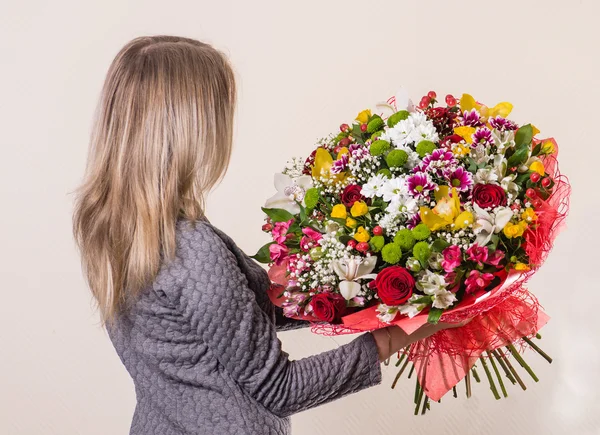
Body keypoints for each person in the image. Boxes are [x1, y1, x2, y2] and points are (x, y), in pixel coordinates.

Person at [73, 35, 464, 435]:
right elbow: (281, 389)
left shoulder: (111, 228)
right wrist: (406, 331)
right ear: (190, 126)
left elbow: (240, 314)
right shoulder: (189, 249)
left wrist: (361, 283)